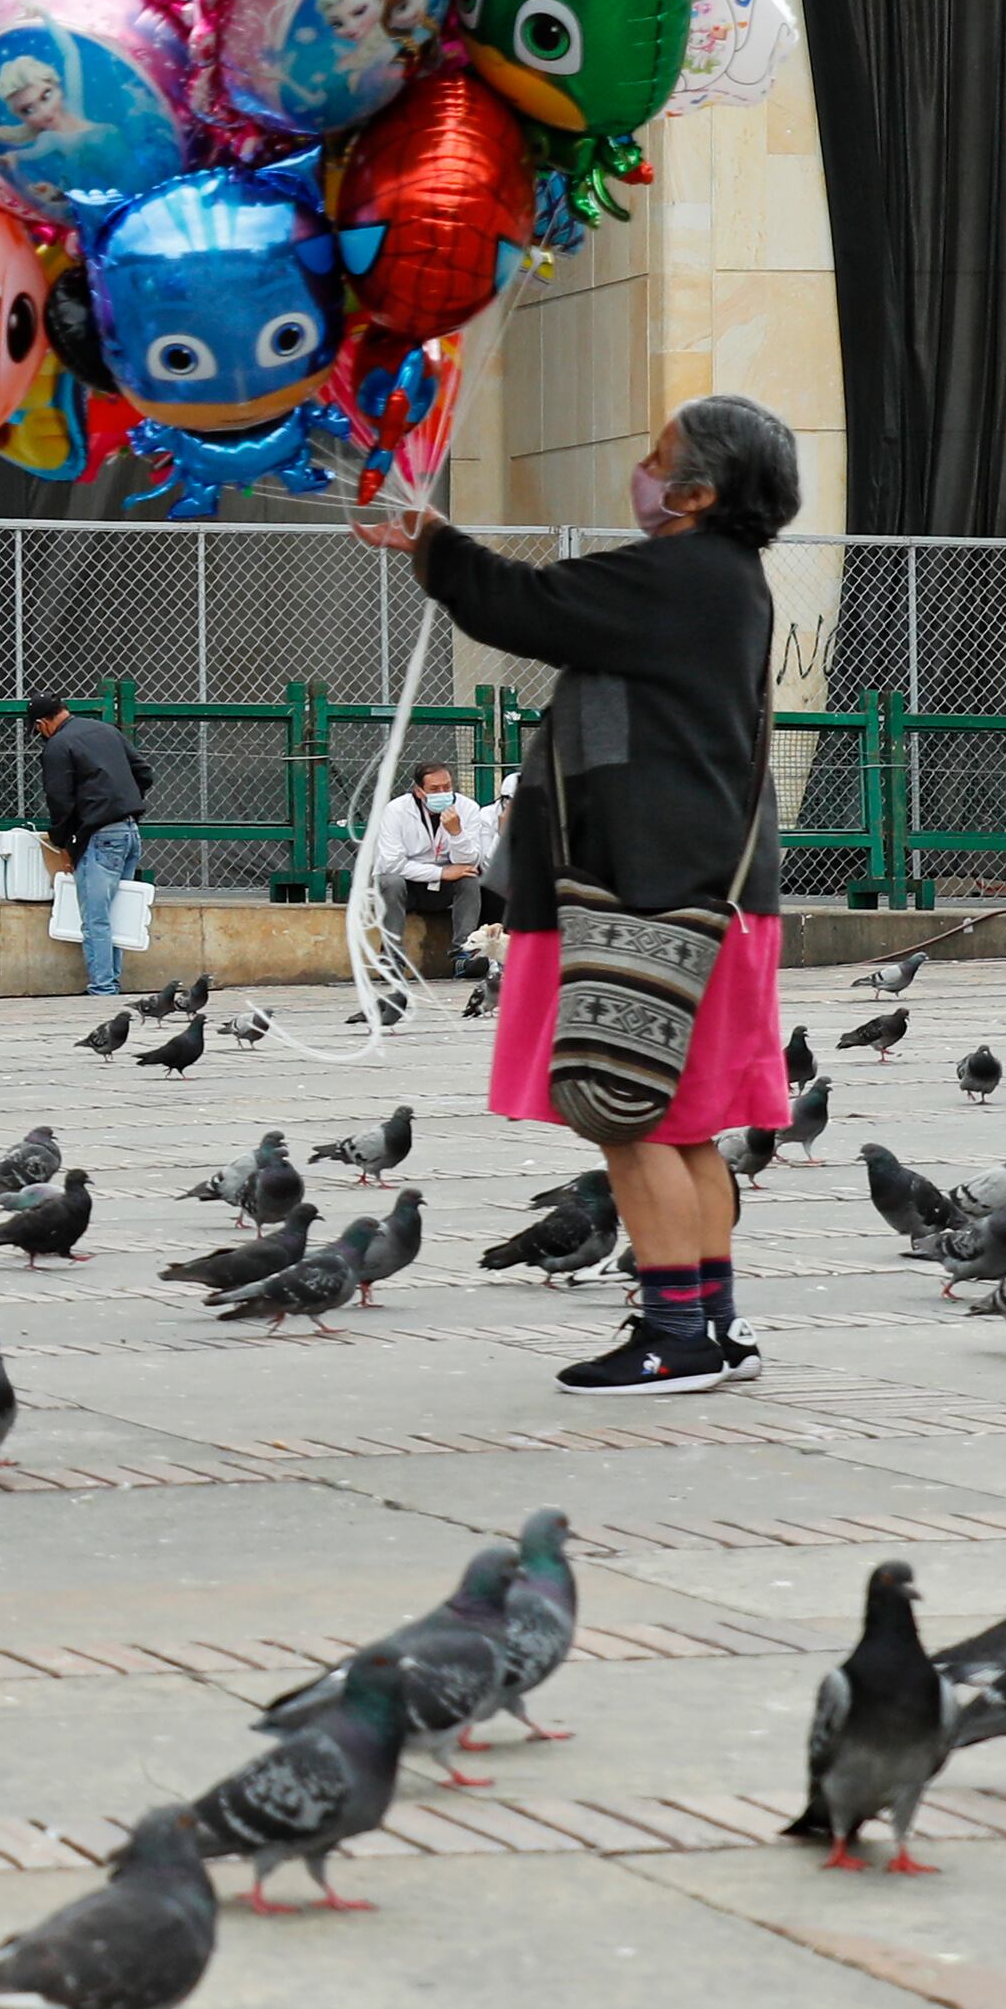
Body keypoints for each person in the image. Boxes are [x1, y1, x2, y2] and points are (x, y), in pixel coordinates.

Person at [357, 394, 802, 1392]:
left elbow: (526, 604)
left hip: (648, 890)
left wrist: (429, 542)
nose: (639, 472)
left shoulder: (680, 573)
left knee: (624, 1115)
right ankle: (709, 1326)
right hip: (698, 891)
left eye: (656, 459)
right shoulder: (723, 579)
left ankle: (673, 1335)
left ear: (696, 489)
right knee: (678, 1121)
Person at [26, 695, 152, 998]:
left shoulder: (57, 746)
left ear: (42, 724)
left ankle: (103, 988)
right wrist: (121, 799)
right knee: (117, 912)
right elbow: (145, 773)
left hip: (99, 836)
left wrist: (64, 841)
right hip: (130, 832)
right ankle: (111, 980)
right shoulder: (106, 730)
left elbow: (61, 802)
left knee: (96, 918)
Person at [362, 755, 496, 981]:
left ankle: (464, 955)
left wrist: (456, 833)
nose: (442, 793)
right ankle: (392, 956)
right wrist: (441, 872)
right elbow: (392, 863)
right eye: (434, 789)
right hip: (407, 887)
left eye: (447, 787)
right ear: (419, 791)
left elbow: (471, 859)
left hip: (443, 888)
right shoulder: (396, 810)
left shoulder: (467, 808)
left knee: (469, 879)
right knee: (390, 880)